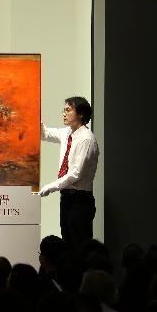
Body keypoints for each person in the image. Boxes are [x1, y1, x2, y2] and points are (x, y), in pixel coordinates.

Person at [38, 96, 100, 249]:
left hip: (80, 199)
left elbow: (76, 173)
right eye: (63, 110)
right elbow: (44, 133)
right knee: (67, 242)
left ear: (80, 114)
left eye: (68, 110)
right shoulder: (67, 133)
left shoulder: (86, 138)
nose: (64, 114)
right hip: (67, 197)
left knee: (79, 244)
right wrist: (33, 114)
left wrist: (52, 186)